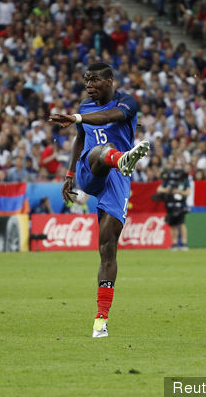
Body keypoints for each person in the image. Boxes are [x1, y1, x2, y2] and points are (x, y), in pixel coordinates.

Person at [49, 62, 150, 338]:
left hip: (117, 180)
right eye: (86, 80)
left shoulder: (127, 102)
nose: (89, 84)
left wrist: (78, 119)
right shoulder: (84, 106)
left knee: (107, 245)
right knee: (101, 149)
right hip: (90, 169)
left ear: (110, 81)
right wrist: (69, 174)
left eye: (94, 80)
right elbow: (80, 140)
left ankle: (100, 320)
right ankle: (120, 158)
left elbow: (111, 117)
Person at [156, 159, 190, 250]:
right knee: (172, 224)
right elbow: (159, 189)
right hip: (170, 203)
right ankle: (174, 244)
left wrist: (178, 191)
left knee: (181, 223)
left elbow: (188, 192)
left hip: (180, 204)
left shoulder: (184, 179)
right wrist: (167, 190)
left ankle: (184, 244)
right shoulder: (168, 179)